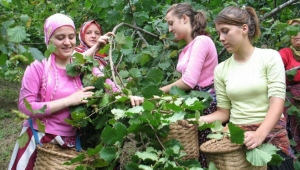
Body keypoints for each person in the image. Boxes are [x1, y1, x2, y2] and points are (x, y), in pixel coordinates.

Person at [180, 6, 295, 169]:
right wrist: (195, 121)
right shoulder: (221, 69)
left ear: (244, 29)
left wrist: (259, 135)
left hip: (271, 139)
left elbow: (277, 103)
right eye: (219, 33)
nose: (221, 38)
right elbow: (223, 113)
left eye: (225, 31)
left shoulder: (269, 58)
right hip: (235, 144)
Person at [163, 3, 218, 168]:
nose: (169, 28)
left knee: (205, 154)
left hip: (206, 104)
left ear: (185, 18)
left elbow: (188, 81)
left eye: (171, 23)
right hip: (194, 102)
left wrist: (160, 92)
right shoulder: (185, 49)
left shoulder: (202, 41)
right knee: (192, 154)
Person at [74, 20, 144, 106]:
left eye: (97, 33)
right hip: (90, 103)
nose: (93, 36)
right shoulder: (76, 53)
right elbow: (78, 64)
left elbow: (114, 79)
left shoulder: (106, 57)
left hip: (110, 101)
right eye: (88, 33)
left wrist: (126, 82)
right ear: (82, 35)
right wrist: (123, 96)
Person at [279, 18, 300, 153]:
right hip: (291, 99)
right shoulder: (286, 52)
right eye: (295, 31)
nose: (298, 35)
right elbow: (278, 73)